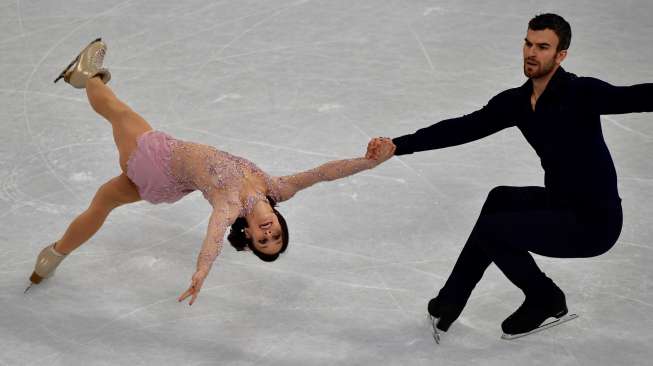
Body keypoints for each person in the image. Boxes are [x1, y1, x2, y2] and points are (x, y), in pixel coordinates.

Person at [26, 39, 396, 306]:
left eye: (262, 242)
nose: (269, 235)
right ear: (281, 223)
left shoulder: (229, 205)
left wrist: (202, 272)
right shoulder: (278, 189)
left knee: (118, 113)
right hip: (166, 183)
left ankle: (86, 77)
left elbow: (214, 238)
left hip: (157, 161)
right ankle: (52, 257)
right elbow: (324, 173)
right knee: (101, 206)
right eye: (277, 237)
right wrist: (370, 162)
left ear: (247, 234)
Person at [368, 13, 653, 339]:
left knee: (494, 230)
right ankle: (448, 304)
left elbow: (637, 96)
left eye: (543, 47)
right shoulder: (517, 102)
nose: (532, 53)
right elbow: (463, 127)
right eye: (528, 43)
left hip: (594, 223)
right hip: (560, 205)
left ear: (561, 56)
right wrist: (397, 146)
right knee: (500, 198)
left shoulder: (581, 92)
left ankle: (545, 297)